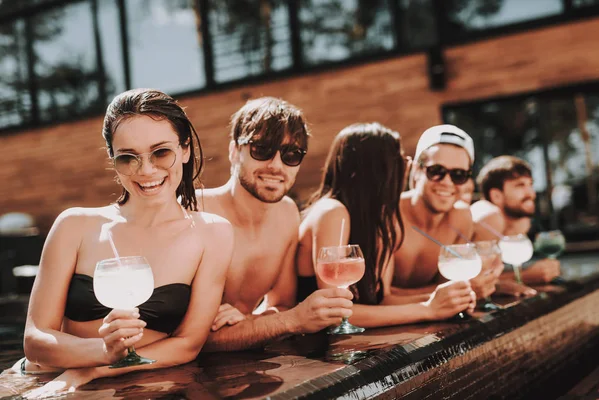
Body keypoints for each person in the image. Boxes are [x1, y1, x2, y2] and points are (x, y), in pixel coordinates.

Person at [16, 89, 233, 397]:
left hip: (114, 383)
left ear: (185, 149)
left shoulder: (213, 234)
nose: (146, 170)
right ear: (113, 160)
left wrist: (90, 369)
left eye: (161, 152)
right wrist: (104, 350)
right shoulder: (75, 225)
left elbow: (188, 345)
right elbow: (35, 340)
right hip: (40, 385)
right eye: (128, 158)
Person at [196, 97, 353, 352]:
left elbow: (281, 305)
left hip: (254, 362)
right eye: (261, 150)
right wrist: (293, 320)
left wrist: (250, 321)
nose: (276, 166)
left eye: (291, 155)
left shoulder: (287, 213)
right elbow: (193, 336)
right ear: (234, 152)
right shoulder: (196, 212)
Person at [296, 123, 483, 327]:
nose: (406, 164)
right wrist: (428, 310)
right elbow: (336, 313)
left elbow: (379, 299)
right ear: (375, 169)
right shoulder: (332, 212)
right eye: (398, 159)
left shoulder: (371, 218)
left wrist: (448, 302)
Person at [392, 124, 499, 304]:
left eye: (458, 174)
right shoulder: (390, 215)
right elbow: (377, 298)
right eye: (437, 172)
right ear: (417, 171)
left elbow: (446, 287)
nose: (447, 182)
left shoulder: (461, 217)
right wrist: (464, 290)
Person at [471, 156, 560, 288]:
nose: (531, 193)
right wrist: (526, 275)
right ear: (496, 195)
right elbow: (475, 281)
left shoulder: (520, 222)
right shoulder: (487, 215)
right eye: (520, 185)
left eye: (530, 184)